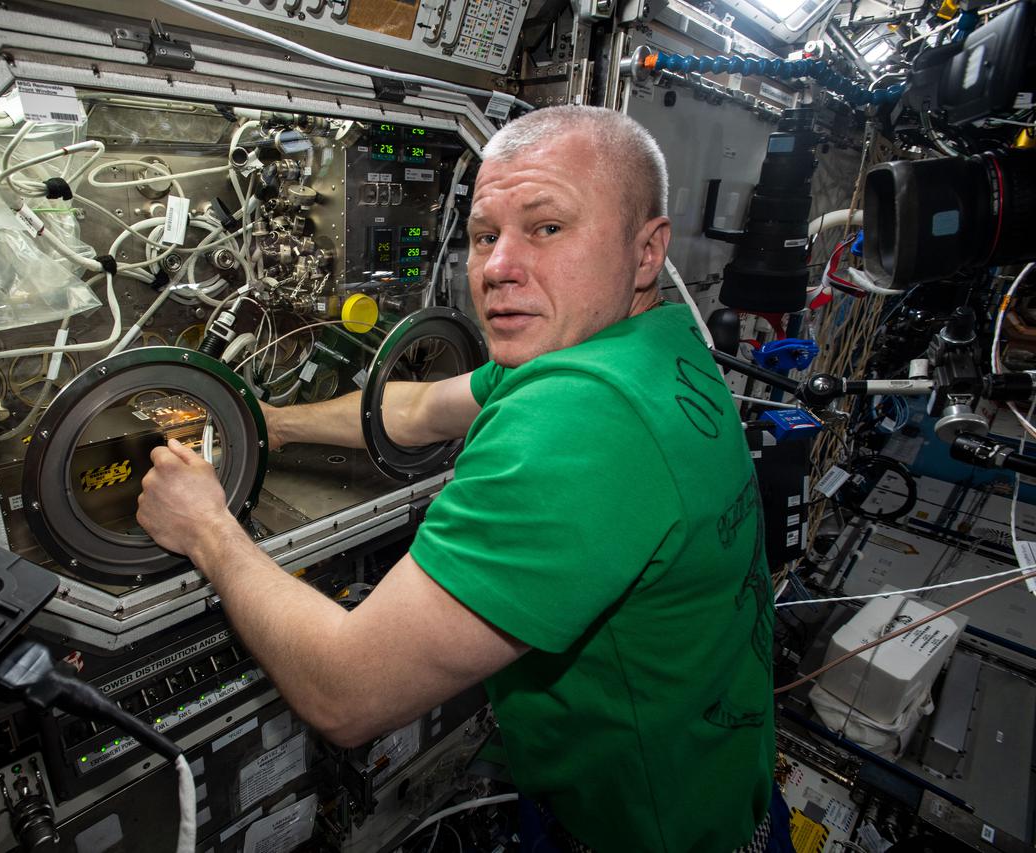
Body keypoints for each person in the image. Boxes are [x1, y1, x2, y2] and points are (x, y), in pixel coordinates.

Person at [137, 105, 780, 851]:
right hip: (709, 782)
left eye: (547, 227)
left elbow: (346, 691)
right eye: (484, 235)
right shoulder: (636, 342)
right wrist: (272, 423)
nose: (499, 267)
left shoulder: (579, 423)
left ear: (646, 251)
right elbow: (413, 410)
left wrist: (207, 528)